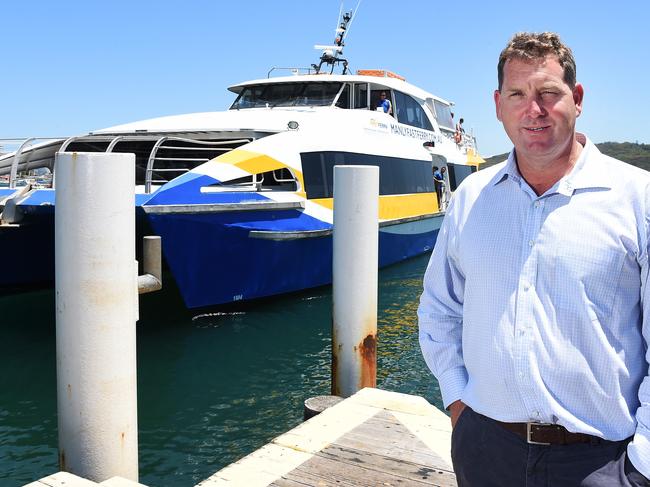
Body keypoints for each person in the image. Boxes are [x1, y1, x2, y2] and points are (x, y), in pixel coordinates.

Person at [418, 32, 650, 486]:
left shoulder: (637, 200)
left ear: (576, 98)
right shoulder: (470, 199)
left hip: (601, 463)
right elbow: (439, 309)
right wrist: (458, 405)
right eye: (517, 94)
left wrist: (640, 466)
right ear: (498, 104)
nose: (534, 110)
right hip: (485, 450)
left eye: (548, 93)